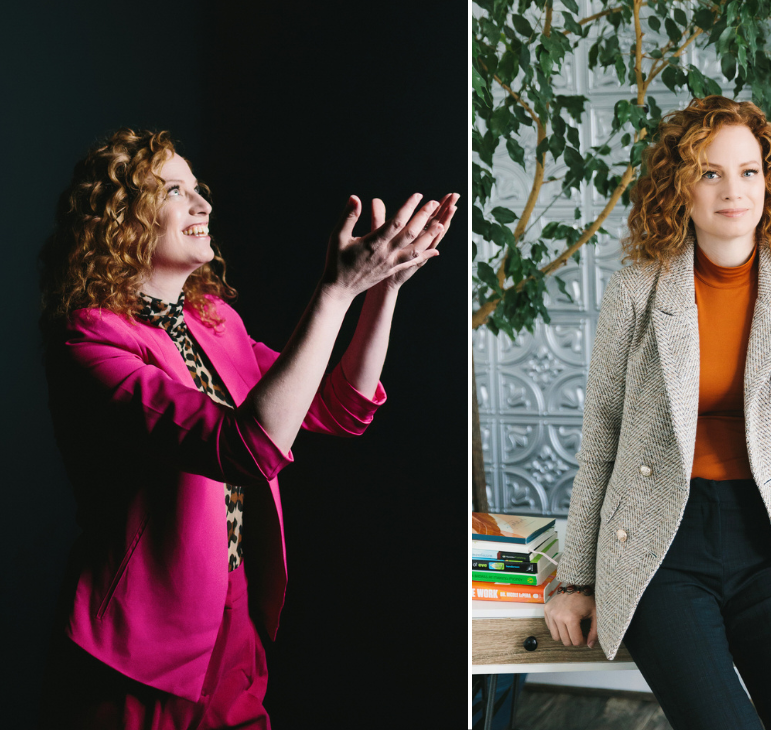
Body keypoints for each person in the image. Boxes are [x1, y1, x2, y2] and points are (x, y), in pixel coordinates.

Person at [37, 127, 457, 729]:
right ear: (121, 219)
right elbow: (246, 447)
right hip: (141, 640)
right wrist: (336, 291)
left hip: (234, 612)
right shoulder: (90, 338)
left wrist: (380, 291)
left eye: (197, 187)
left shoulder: (215, 320)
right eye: (174, 190)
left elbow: (335, 408)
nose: (202, 203)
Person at [544, 95, 771, 730]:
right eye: (710, 172)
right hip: (660, 548)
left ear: (769, 182)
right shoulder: (638, 287)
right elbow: (603, 439)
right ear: (682, 188)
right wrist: (575, 579)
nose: (734, 190)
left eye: (749, 171)